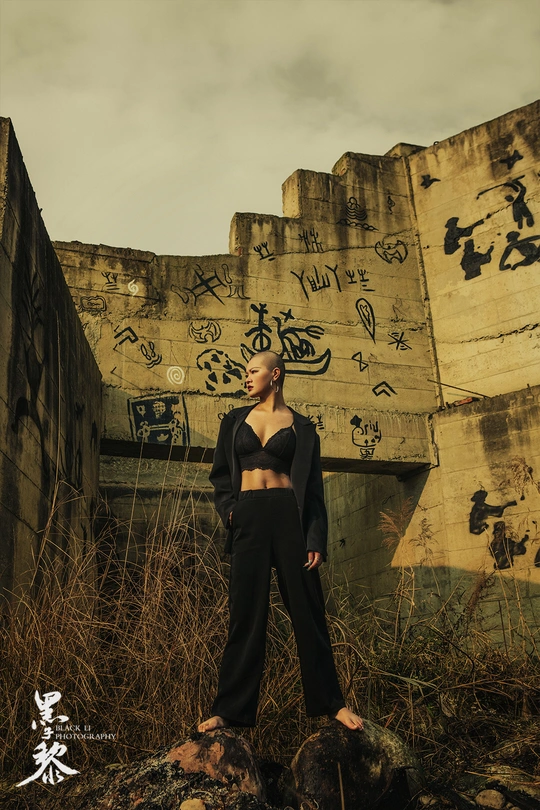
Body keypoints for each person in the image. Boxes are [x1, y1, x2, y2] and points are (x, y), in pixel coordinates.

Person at [197, 350, 363, 732]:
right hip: (248, 516)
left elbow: (314, 491)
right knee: (245, 615)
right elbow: (220, 476)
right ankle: (229, 710)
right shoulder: (234, 420)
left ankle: (333, 703)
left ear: (275, 374)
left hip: (290, 518)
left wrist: (315, 538)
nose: (246, 377)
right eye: (245, 371)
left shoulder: (303, 428)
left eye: (253, 370)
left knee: (308, 612)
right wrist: (230, 511)